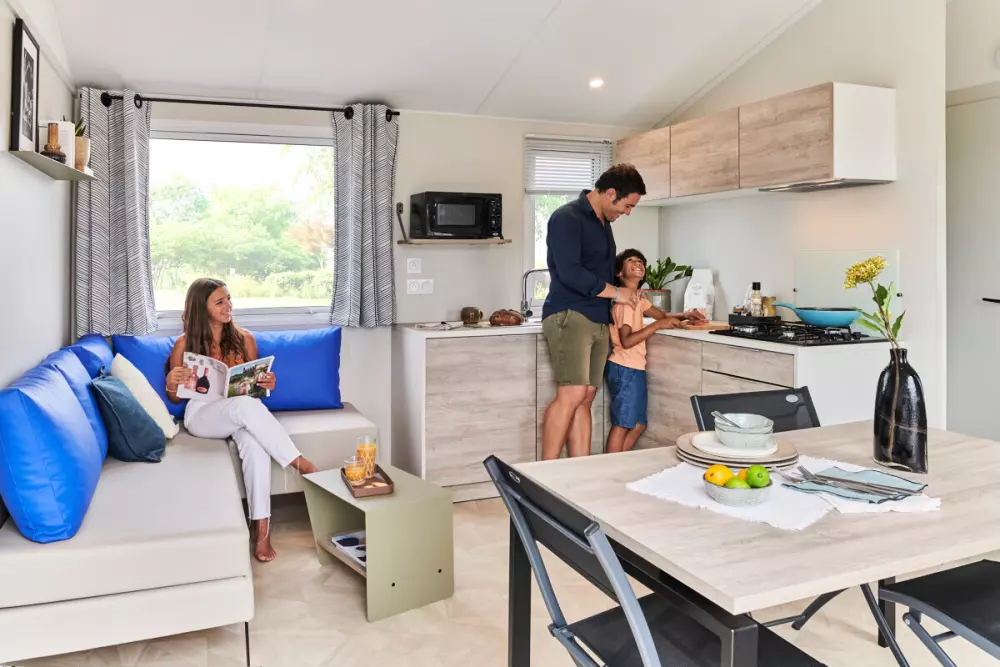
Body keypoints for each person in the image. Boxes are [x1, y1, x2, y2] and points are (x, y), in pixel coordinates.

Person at [165, 278, 319, 563]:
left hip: (241, 409)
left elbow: (254, 389)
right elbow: (175, 399)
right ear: (202, 307)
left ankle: (262, 531)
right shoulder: (184, 344)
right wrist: (172, 382)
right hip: (203, 414)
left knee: (256, 446)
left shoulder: (244, 338)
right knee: (245, 407)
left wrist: (267, 383)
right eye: (220, 302)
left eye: (229, 299)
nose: (229, 306)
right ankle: (299, 463)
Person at [540, 163, 646, 461]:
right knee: (572, 393)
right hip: (571, 315)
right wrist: (618, 293)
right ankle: (542, 475)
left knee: (586, 397)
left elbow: (601, 272)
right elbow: (571, 272)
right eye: (627, 205)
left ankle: (580, 469)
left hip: (598, 318)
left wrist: (628, 290)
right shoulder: (567, 217)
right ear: (610, 193)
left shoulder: (603, 223)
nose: (627, 212)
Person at [605, 249, 705, 453]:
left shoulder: (637, 299)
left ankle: (620, 462)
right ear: (619, 273)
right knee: (623, 424)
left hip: (634, 368)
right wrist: (657, 326)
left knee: (638, 425)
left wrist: (685, 315)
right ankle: (611, 466)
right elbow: (626, 341)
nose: (638, 263)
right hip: (625, 368)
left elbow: (661, 315)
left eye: (640, 261)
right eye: (630, 260)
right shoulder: (625, 303)